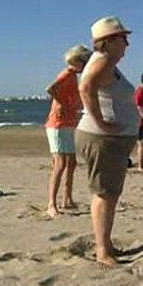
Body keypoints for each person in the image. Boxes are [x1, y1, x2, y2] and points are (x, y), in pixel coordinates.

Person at [75, 16, 138, 267]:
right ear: (109, 41)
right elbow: (85, 87)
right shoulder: (101, 62)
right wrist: (101, 122)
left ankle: (107, 244)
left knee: (110, 193)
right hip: (102, 139)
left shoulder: (107, 63)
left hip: (111, 140)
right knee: (104, 195)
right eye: (123, 39)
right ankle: (102, 250)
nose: (127, 44)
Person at [44, 44, 92, 218]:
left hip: (69, 122)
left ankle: (67, 198)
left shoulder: (74, 77)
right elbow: (50, 89)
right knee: (60, 164)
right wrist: (63, 104)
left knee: (71, 162)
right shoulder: (66, 74)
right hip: (57, 123)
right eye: (84, 61)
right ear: (77, 61)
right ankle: (52, 204)